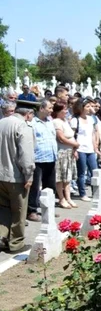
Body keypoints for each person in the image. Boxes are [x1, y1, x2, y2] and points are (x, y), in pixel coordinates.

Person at [0, 108, 36, 252]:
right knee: (19, 211)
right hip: (16, 176)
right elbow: (26, 154)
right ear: (28, 114)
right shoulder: (23, 126)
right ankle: (16, 243)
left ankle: (2, 238)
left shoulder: (2, 122)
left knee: (3, 209)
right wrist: (29, 175)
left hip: (1, 175)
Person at [28, 100, 57, 221]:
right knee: (35, 186)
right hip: (38, 158)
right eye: (49, 108)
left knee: (50, 186)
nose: (51, 110)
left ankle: (48, 208)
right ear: (41, 109)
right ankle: (32, 211)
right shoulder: (33, 123)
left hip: (50, 157)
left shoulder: (50, 122)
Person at [71, 98, 100, 201]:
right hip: (80, 149)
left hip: (90, 149)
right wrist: (74, 149)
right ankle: (82, 193)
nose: (90, 108)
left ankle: (96, 193)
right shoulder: (75, 120)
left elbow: (92, 134)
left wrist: (95, 148)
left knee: (94, 171)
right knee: (82, 173)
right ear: (81, 108)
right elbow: (73, 135)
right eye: (87, 107)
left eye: (90, 106)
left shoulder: (91, 119)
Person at [52, 103, 79, 209]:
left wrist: (75, 149)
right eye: (64, 109)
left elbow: (71, 136)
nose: (66, 111)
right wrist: (75, 144)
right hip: (61, 153)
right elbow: (61, 138)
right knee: (60, 177)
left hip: (69, 152)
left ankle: (68, 198)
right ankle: (61, 198)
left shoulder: (65, 121)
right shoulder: (56, 122)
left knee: (67, 178)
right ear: (58, 111)